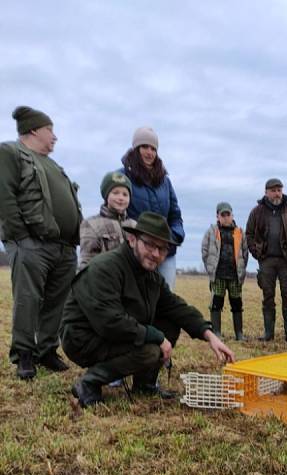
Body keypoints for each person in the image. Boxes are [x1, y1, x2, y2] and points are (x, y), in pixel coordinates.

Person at [61, 212, 234, 408]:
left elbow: (176, 306)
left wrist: (209, 335)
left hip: (112, 331)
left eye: (162, 249)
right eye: (150, 245)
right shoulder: (106, 268)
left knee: (170, 322)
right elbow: (109, 322)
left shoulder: (150, 275)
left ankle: (144, 384)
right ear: (132, 239)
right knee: (151, 350)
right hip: (83, 338)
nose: (156, 254)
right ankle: (89, 383)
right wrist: (156, 336)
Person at [0, 105, 81, 379]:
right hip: (31, 242)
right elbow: (5, 196)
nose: (55, 136)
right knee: (28, 298)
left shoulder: (53, 164)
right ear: (34, 129)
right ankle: (24, 354)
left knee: (57, 301)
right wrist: (19, 237)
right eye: (50, 130)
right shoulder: (11, 152)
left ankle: (46, 350)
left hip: (63, 246)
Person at [119, 127, 184, 290]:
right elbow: (117, 213)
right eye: (144, 147)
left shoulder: (165, 182)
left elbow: (175, 215)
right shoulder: (122, 177)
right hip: (137, 252)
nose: (149, 152)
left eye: (153, 148)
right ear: (136, 149)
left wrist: (175, 236)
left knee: (166, 298)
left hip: (165, 253)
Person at [245, 178, 287, 343]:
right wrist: (256, 252)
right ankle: (268, 333)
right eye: (273, 190)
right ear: (266, 192)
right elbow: (249, 234)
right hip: (266, 261)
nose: (277, 193)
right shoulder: (257, 212)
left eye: (279, 189)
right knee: (268, 297)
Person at [201, 202, 249, 340]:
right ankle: (216, 333)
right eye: (223, 215)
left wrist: (241, 269)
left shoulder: (239, 232)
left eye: (228, 214)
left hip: (235, 276)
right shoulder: (211, 231)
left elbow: (245, 253)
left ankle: (239, 334)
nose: (226, 217)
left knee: (237, 303)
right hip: (218, 275)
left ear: (232, 215)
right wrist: (210, 268)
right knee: (216, 303)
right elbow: (204, 251)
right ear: (218, 216)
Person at [79, 171, 133, 270]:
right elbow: (87, 261)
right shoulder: (91, 224)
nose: (121, 198)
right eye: (115, 193)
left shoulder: (134, 226)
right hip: (105, 279)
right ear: (106, 195)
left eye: (125, 194)